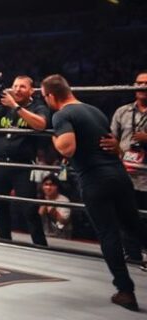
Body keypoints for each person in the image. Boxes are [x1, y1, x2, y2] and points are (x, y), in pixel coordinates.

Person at [43, 74, 147, 312]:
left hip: (94, 179)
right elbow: (112, 145)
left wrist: (54, 138)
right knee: (134, 227)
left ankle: (125, 291)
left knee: (109, 234)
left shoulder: (62, 114)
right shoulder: (95, 111)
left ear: (50, 95)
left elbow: (67, 148)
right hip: (119, 176)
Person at [0, 75, 50, 246]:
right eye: (15, 86)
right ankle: (4, 243)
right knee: (1, 206)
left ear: (31, 90)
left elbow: (41, 125)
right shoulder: (3, 107)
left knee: (29, 208)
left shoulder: (38, 106)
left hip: (22, 165)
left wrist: (16, 106)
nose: (17, 89)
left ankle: (40, 246)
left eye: (22, 87)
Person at [111, 70, 147, 263]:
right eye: (139, 83)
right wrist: (117, 152)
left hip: (146, 176)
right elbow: (111, 138)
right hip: (125, 172)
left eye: (146, 83)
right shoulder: (122, 111)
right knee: (125, 215)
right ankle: (132, 255)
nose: (142, 87)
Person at [38, 174, 72, 239]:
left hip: (61, 236)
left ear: (57, 187)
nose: (48, 188)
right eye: (46, 184)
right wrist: (45, 203)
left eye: (51, 185)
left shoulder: (64, 200)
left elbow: (63, 222)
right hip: (45, 234)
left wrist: (53, 210)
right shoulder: (41, 198)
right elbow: (39, 216)